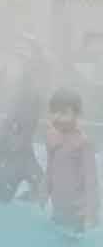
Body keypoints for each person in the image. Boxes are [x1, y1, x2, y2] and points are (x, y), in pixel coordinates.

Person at [0, 38, 47, 203]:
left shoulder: (34, 92)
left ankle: (20, 201)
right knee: (0, 200)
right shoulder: (26, 88)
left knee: (41, 186)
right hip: (11, 149)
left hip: (23, 149)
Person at [42, 89, 99, 233]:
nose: (58, 117)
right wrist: (42, 197)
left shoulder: (83, 144)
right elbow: (50, 170)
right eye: (54, 112)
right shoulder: (52, 139)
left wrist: (91, 215)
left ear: (77, 114)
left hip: (77, 215)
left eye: (64, 113)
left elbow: (91, 183)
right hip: (58, 209)